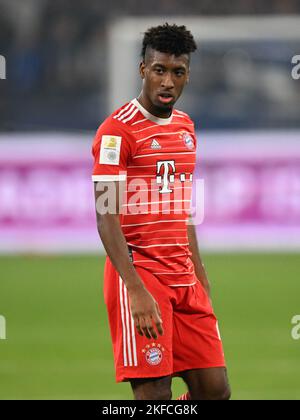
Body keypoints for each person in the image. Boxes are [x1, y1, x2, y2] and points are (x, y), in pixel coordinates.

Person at [92, 23, 231, 400]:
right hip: (142, 274)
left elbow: (183, 212)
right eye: (159, 70)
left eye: (177, 72)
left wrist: (200, 277)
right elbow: (106, 217)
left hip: (185, 279)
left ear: (187, 75)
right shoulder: (116, 132)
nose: (167, 81)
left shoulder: (186, 127)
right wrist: (135, 290)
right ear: (142, 70)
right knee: (156, 396)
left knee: (215, 392)